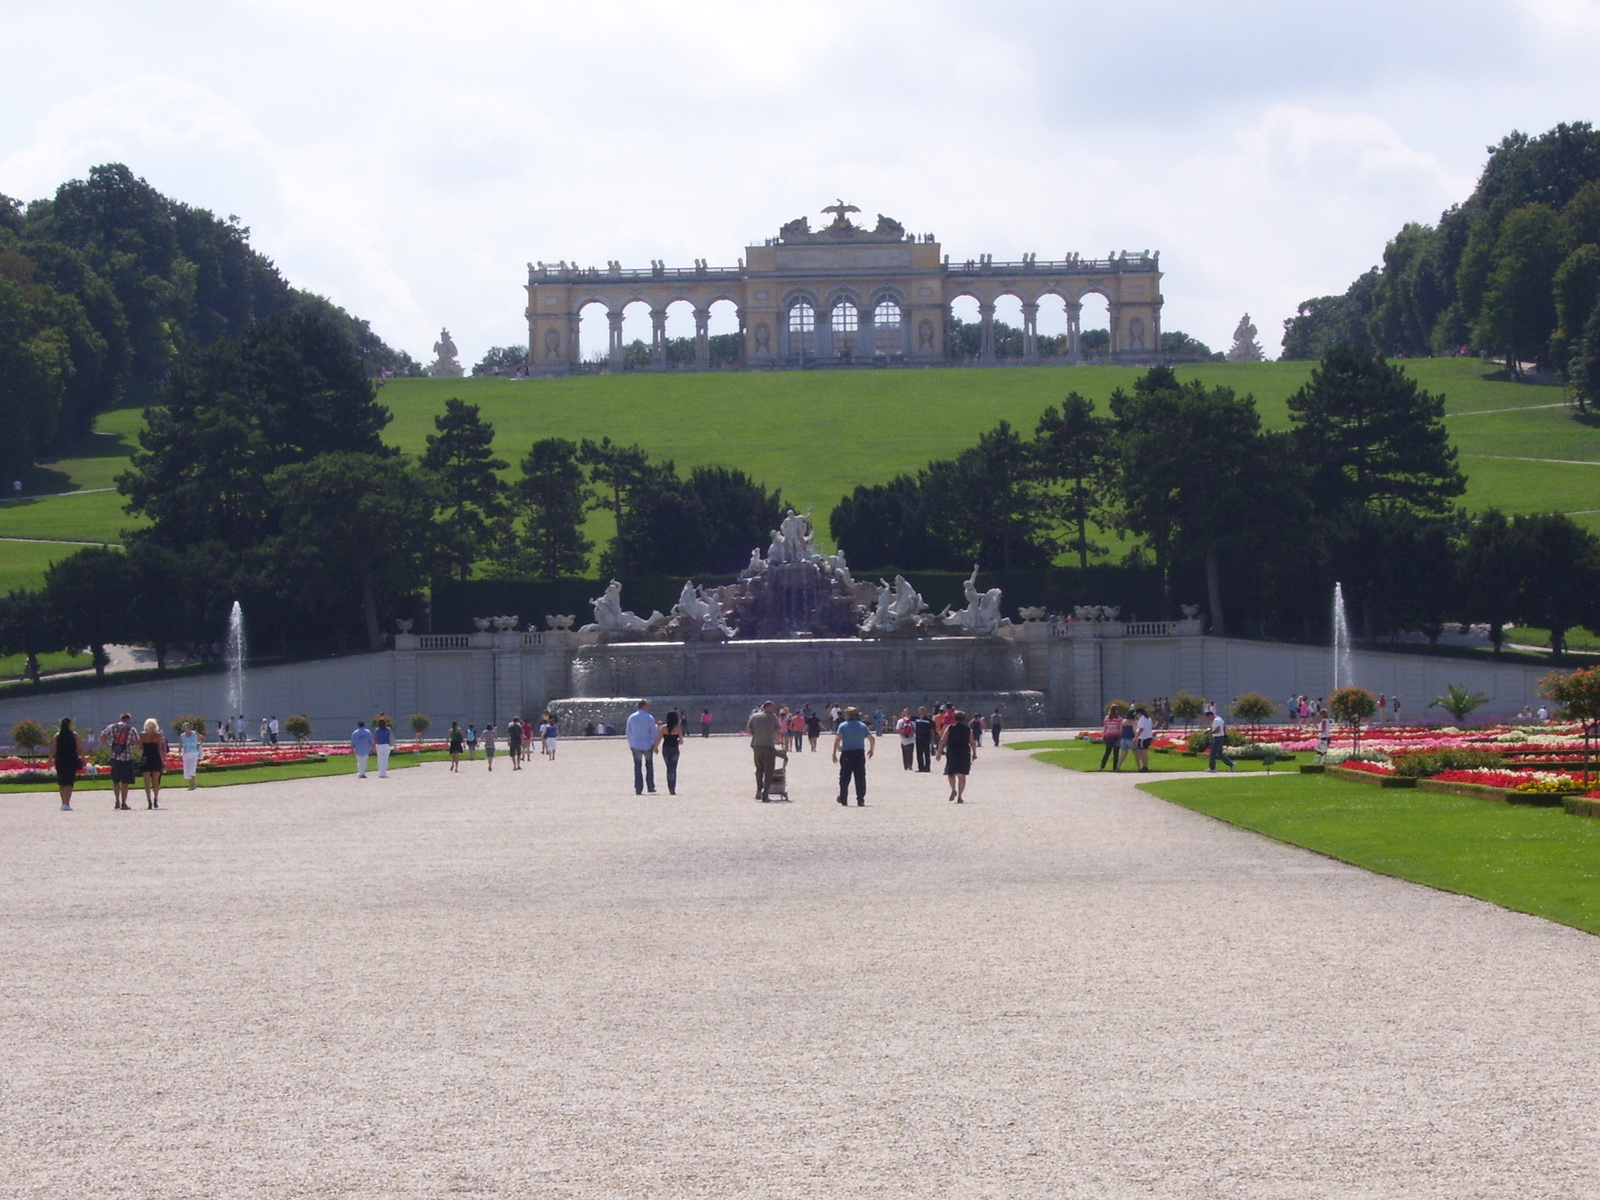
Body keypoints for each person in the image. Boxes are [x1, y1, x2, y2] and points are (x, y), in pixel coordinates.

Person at [832, 705, 875, 806]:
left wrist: (834, 753)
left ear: (848, 715)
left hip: (847, 753)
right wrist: (871, 749)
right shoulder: (862, 725)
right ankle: (860, 799)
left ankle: (843, 798)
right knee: (860, 777)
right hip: (859, 753)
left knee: (844, 777)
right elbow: (872, 738)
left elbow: (838, 739)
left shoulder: (843, 725)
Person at [100, 712, 137, 810]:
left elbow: (102, 736)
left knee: (116, 780)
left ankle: (117, 800)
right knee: (125, 781)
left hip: (115, 756)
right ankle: (124, 803)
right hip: (127, 757)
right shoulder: (131, 729)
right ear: (128, 719)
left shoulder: (112, 727)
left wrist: (109, 745)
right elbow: (137, 741)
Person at [936, 709, 975, 802]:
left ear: (955, 718)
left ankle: (953, 789)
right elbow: (972, 742)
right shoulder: (967, 729)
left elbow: (942, 740)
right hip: (964, 752)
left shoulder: (950, 727)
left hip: (952, 752)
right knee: (962, 775)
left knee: (951, 772)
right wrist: (975, 753)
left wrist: (939, 752)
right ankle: (960, 796)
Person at [747, 701, 781, 802]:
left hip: (756, 745)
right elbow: (778, 731)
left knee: (759, 769)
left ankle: (758, 790)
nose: (774, 709)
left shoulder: (754, 716)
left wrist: (757, 736)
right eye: (773, 707)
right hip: (768, 746)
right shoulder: (772, 717)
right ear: (768, 708)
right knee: (769, 771)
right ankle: (765, 795)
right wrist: (778, 741)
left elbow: (748, 730)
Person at [625, 700, 660, 795]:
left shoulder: (631, 717)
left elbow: (628, 732)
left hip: (636, 744)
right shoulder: (649, 717)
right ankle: (650, 786)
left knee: (637, 767)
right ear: (644, 706)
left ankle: (638, 788)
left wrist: (630, 743)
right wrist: (655, 743)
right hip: (647, 744)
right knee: (649, 765)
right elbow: (653, 731)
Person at [53, 717, 83, 810]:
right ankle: (66, 802)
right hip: (71, 759)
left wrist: (50, 759)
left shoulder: (58, 735)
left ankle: (63, 802)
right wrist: (83, 758)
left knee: (62, 782)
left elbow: (53, 748)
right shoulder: (74, 735)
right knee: (69, 782)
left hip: (60, 760)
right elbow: (79, 748)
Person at [138, 718, 167, 808]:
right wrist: (163, 760)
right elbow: (160, 748)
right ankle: (155, 800)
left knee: (147, 782)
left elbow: (141, 747)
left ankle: (149, 801)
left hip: (146, 757)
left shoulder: (142, 735)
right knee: (156, 781)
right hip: (156, 758)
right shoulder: (158, 735)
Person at [660, 708, 685, 795]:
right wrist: (677, 741)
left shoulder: (663, 728)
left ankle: (669, 787)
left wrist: (655, 747)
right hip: (674, 749)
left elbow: (659, 739)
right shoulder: (678, 728)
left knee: (668, 768)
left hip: (666, 749)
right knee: (673, 768)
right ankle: (672, 789)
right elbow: (681, 741)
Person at [1098, 707, 1123, 771]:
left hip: (1109, 736)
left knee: (1107, 752)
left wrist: (1103, 735)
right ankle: (1115, 768)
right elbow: (1120, 729)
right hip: (1116, 736)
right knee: (1115, 753)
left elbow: (1105, 728)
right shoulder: (1119, 719)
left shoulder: (1107, 718)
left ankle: (1102, 767)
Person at [179, 721, 202, 791]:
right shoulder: (182, 736)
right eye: (185, 729)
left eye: (187, 729)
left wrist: (199, 743)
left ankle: (193, 784)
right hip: (186, 753)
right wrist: (179, 753)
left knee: (192, 768)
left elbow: (202, 738)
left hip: (194, 753)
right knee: (187, 769)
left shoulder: (194, 734)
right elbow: (180, 745)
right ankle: (190, 784)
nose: (186, 731)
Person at [913, 706, 935, 772]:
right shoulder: (916, 719)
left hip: (926, 738)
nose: (922, 712)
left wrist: (932, 739)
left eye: (923, 710)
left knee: (927, 753)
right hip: (918, 738)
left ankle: (927, 767)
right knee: (919, 753)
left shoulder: (929, 720)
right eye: (920, 710)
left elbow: (932, 731)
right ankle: (920, 767)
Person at [1132, 706, 1154, 772]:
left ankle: (1145, 766)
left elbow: (1141, 729)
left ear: (1140, 713)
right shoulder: (1148, 719)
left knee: (1142, 752)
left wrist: (1136, 737)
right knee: (1144, 752)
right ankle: (1145, 765)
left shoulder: (1142, 719)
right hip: (1148, 736)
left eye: (1137, 714)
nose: (1136, 715)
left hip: (1143, 738)